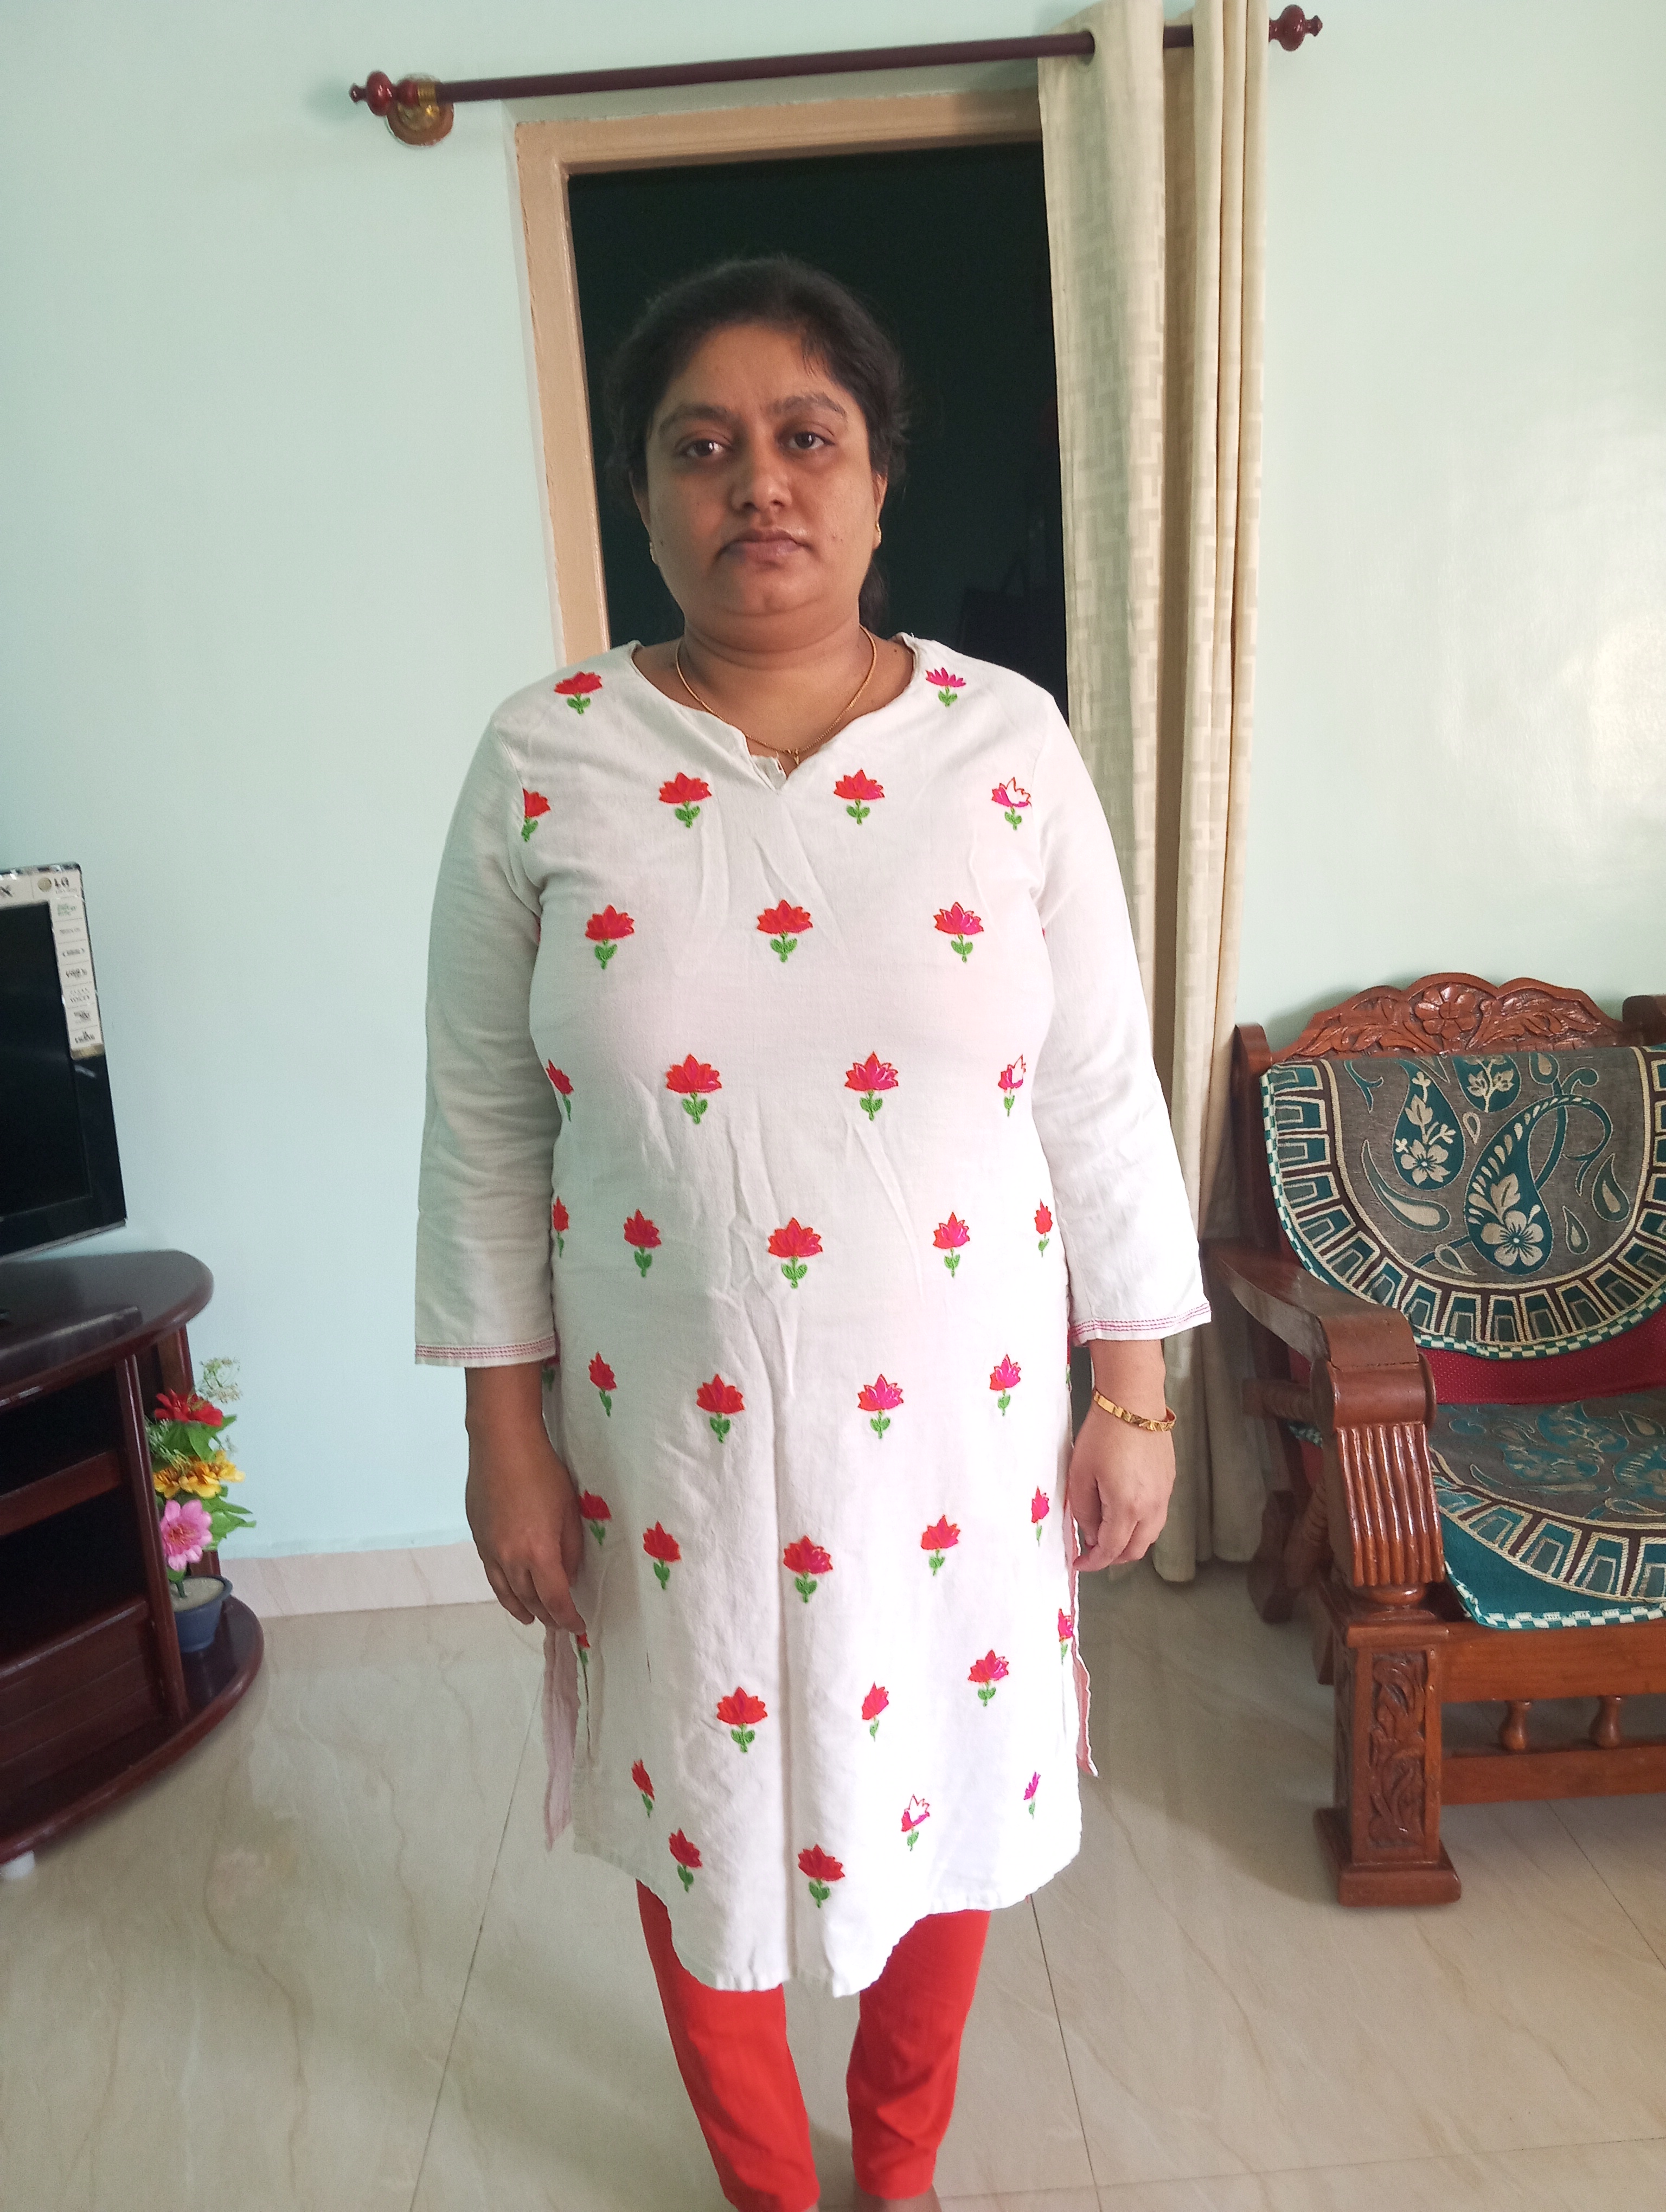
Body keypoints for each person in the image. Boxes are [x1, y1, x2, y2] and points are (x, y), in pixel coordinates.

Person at [416, 256, 1207, 2212]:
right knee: (699, 1795)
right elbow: (485, 1124)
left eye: (805, 438)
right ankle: (772, 2185)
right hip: (656, 1434)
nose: (756, 482)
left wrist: (1135, 1393)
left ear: (875, 480)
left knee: (949, 1774)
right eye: (702, 447)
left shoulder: (1004, 745)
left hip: (960, 1430)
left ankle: (901, 2160)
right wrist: (502, 1437)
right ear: (643, 494)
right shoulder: (545, 759)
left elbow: (1098, 1091)